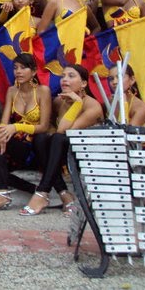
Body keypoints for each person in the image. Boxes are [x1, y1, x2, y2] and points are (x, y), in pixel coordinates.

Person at [20, 64, 102, 216]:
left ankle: (42, 192)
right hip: (61, 153)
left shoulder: (93, 106)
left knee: (58, 138)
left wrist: (77, 103)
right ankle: (64, 194)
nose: (64, 80)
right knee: (40, 138)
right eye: (63, 76)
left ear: (84, 83)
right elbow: (50, 128)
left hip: (84, 154)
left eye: (71, 76)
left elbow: (64, 131)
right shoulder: (59, 102)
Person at [0, 53, 51, 211]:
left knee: (35, 137)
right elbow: (4, 121)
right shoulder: (12, 91)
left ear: (33, 72)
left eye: (23, 68)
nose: (18, 71)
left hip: (35, 146)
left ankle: (5, 192)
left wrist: (17, 127)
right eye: (15, 68)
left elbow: (44, 126)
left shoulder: (42, 91)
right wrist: (3, 131)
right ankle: (7, 192)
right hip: (17, 146)